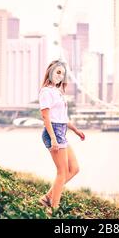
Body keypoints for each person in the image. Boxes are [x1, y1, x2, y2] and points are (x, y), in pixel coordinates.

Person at [38, 59, 85, 215]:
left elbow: (62, 118)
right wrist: (53, 138)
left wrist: (76, 130)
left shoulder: (58, 92)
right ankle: (54, 208)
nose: (60, 76)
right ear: (50, 71)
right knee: (62, 172)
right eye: (58, 72)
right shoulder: (46, 92)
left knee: (75, 168)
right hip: (53, 132)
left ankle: (47, 197)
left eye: (63, 74)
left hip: (61, 131)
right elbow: (46, 117)